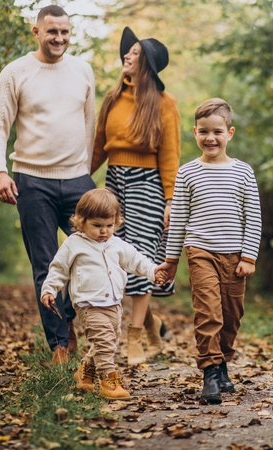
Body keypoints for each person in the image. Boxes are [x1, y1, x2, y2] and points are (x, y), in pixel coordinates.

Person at [0, 5, 96, 364]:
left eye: (65, 32)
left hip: (78, 179)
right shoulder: (16, 72)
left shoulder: (83, 70)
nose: (59, 39)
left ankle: (80, 325)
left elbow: (89, 124)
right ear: (36, 31)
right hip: (33, 182)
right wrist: (0, 171)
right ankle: (59, 345)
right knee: (46, 266)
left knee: (91, 258)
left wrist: (86, 171)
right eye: (52, 32)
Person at [158, 98, 262, 404]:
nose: (210, 138)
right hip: (200, 250)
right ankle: (210, 374)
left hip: (235, 256)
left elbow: (253, 216)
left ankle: (222, 363)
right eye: (204, 131)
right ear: (194, 132)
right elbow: (177, 220)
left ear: (230, 133)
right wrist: (171, 260)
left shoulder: (243, 172)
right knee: (208, 313)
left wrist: (248, 256)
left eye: (217, 131)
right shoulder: (188, 173)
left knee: (231, 316)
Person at [91, 26, 180, 365]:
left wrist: (171, 200)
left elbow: (170, 154)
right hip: (114, 181)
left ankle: (133, 340)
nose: (127, 56)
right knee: (116, 259)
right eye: (127, 52)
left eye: (135, 54)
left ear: (147, 66)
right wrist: (79, 178)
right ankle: (152, 323)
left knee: (141, 258)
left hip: (148, 185)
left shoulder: (164, 103)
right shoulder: (113, 99)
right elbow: (98, 148)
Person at [40, 189, 168, 399]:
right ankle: (108, 381)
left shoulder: (116, 244)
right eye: (97, 226)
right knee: (105, 342)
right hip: (88, 304)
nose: (104, 231)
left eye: (109, 226)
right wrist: (49, 289)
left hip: (114, 304)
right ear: (82, 222)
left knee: (108, 341)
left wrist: (154, 272)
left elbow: (137, 261)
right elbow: (58, 269)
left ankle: (85, 371)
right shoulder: (74, 244)